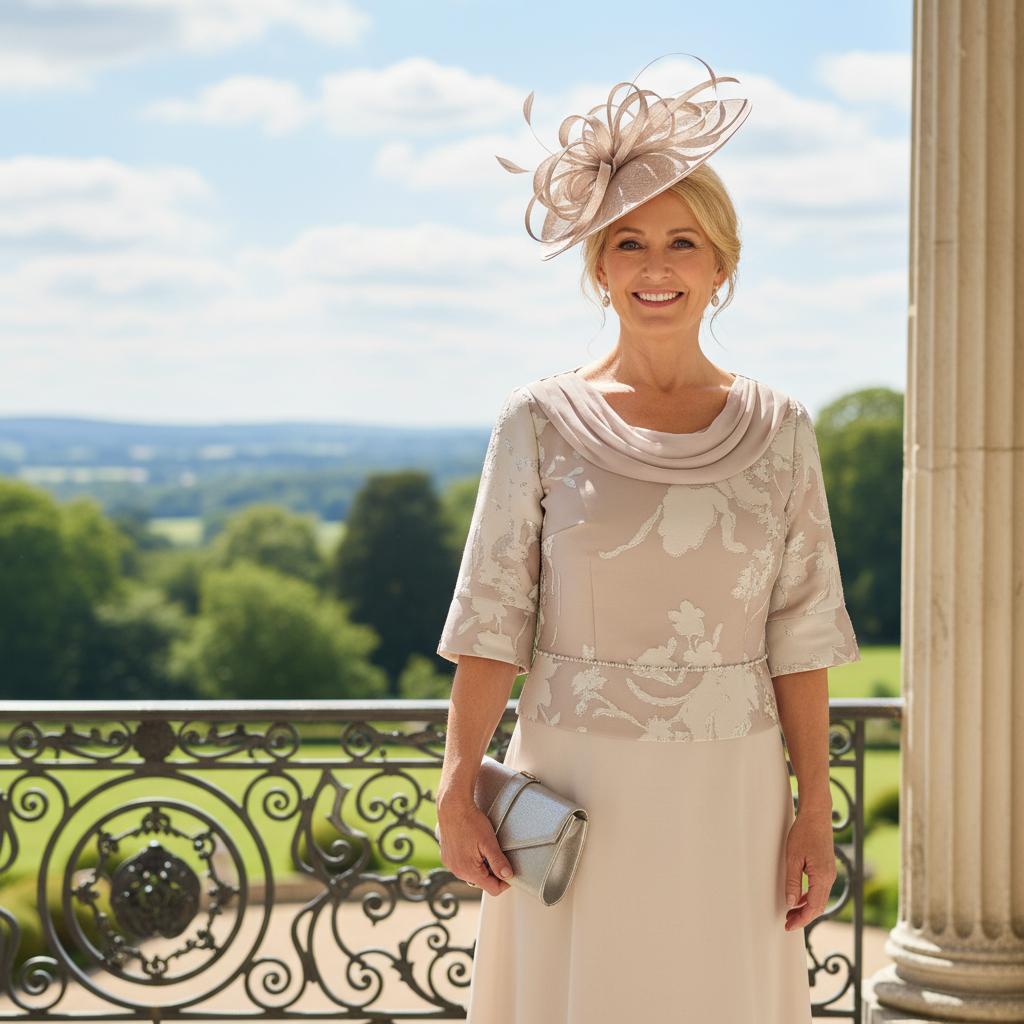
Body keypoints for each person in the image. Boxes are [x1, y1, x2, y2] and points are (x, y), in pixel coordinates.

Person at [434, 54, 860, 1024]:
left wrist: (811, 810)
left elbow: (798, 637)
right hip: (578, 787)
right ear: (597, 263)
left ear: (721, 264)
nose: (656, 267)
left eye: (682, 242)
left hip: (730, 794)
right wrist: (458, 786)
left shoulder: (781, 427)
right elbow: (490, 619)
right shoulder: (538, 421)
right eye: (628, 243)